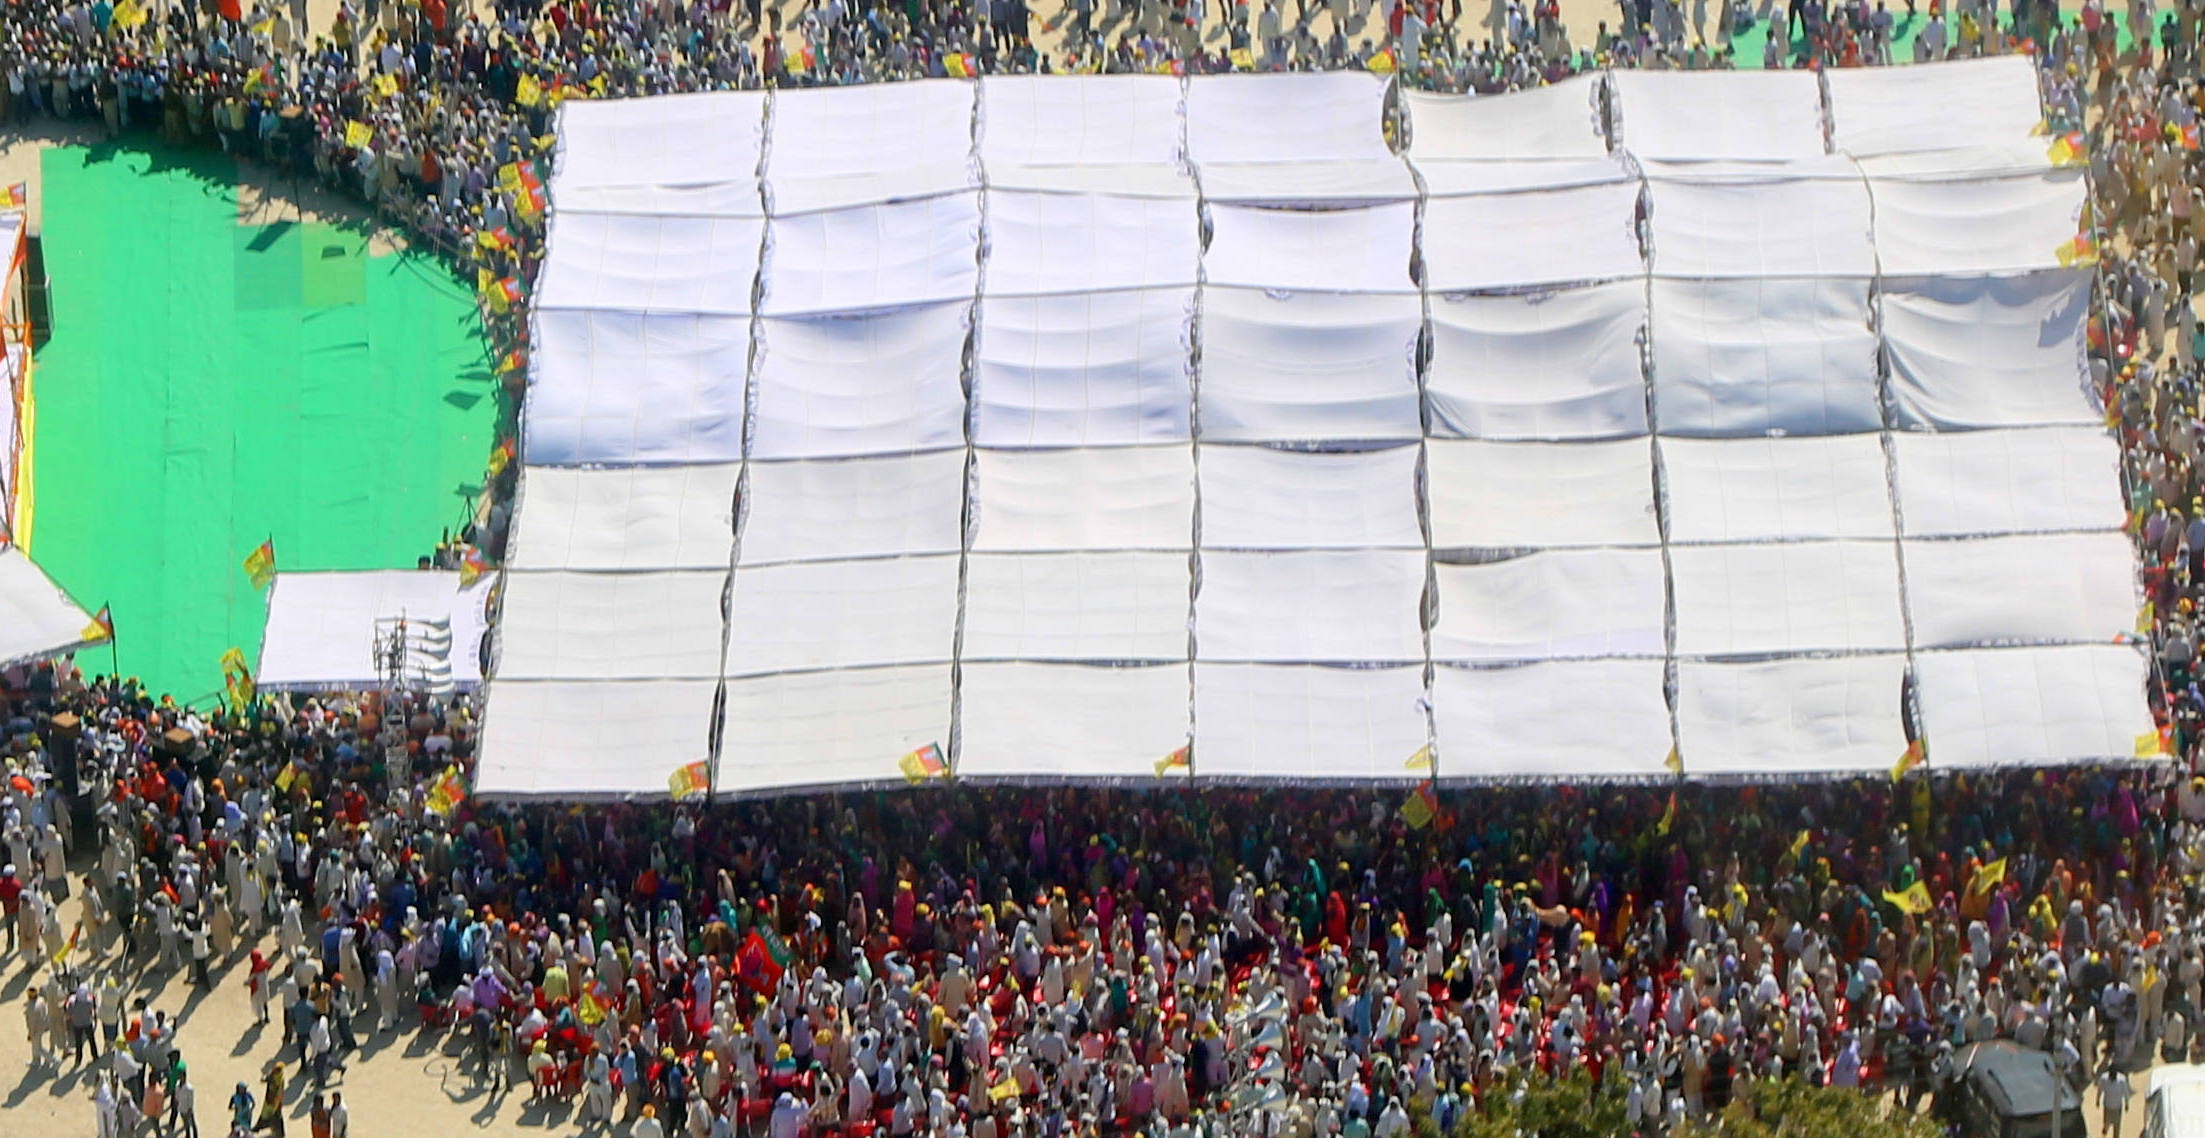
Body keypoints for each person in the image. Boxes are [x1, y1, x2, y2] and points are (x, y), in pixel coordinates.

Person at [2098, 1066, 2133, 1135]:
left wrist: (2127, 1104)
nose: (2112, 1075)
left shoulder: (2122, 1080)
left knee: (2117, 1124)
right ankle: (2105, 1129)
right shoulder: (2104, 1078)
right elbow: (2100, 1090)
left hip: (2117, 1106)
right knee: (2106, 1121)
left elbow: (2126, 1093)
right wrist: (2097, 1099)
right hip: (2107, 1105)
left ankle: (2116, 1135)